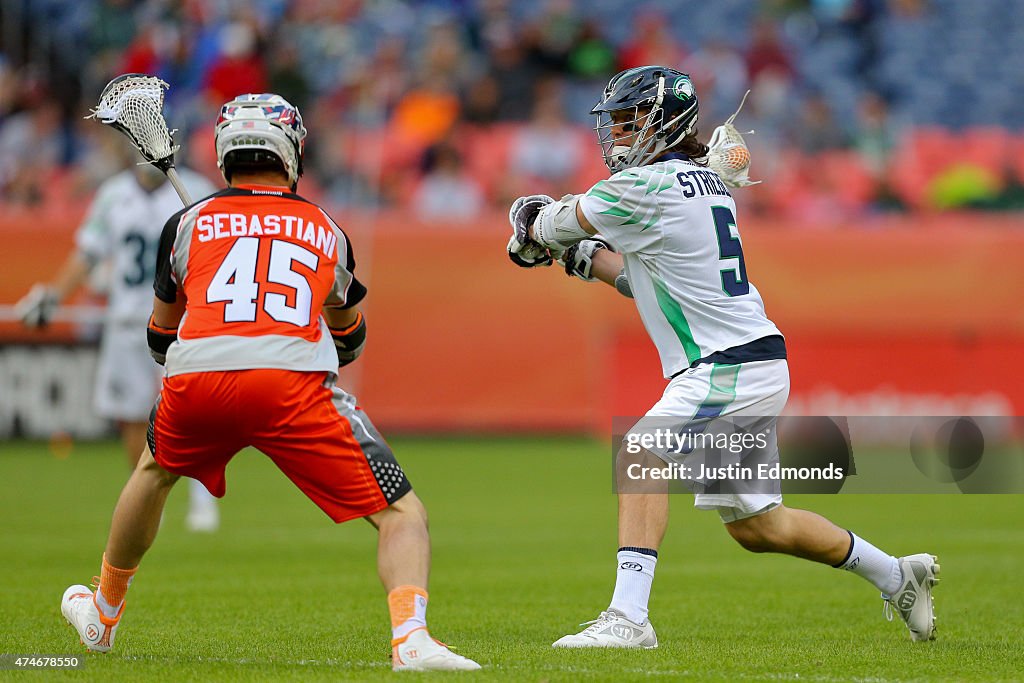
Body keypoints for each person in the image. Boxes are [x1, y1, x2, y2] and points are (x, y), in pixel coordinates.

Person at [506, 66, 939, 648]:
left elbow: (554, 220)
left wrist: (532, 225)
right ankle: (896, 575)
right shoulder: (694, 183)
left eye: (630, 121)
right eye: (615, 123)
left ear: (664, 123)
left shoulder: (644, 188)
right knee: (761, 528)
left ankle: (629, 619)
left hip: (728, 361)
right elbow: (647, 280)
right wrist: (577, 256)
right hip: (747, 360)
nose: (617, 135)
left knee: (640, 454)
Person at [58, 93, 480, 672]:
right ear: (291, 151)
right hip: (290, 382)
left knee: (152, 474)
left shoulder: (187, 222)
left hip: (197, 377)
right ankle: (410, 637)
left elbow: (161, 336)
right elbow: (349, 331)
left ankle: (103, 612)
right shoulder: (325, 227)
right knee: (402, 514)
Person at [17, 151, 221, 532]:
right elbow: (88, 254)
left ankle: (202, 498)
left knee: (193, 413)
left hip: (183, 323)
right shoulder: (114, 194)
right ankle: (144, 502)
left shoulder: (193, 189)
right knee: (131, 417)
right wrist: (54, 295)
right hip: (128, 323)